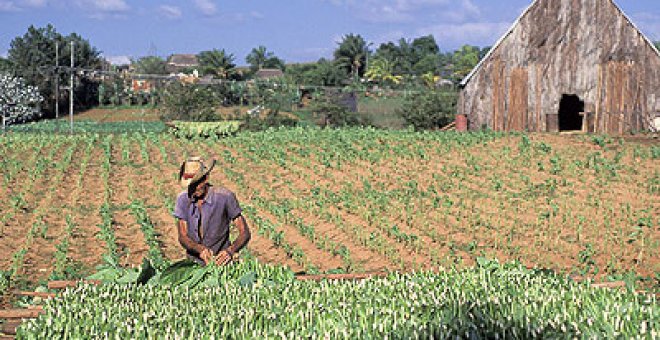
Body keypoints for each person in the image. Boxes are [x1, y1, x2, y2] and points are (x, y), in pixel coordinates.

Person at [173, 157, 251, 266]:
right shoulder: (182, 199)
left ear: (205, 179)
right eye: (190, 186)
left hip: (222, 263)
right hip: (193, 264)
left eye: (197, 184)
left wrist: (230, 251)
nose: (193, 189)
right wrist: (199, 249)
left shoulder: (224, 197)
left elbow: (244, 233)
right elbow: (183, 236)